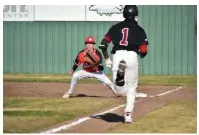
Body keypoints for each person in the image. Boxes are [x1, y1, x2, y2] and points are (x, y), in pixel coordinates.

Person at [99, 5, 149, 123]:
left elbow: (102, 45)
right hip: (132, 55)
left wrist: (107, 59)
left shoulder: (115, 27)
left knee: (120, 90)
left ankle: (120, 79)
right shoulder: (140, 30)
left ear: (124, 14)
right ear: (136, 14)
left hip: (118, 55)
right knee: (132, 88)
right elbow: (144, 50)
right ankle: (128, 115)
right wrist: (141, 55)